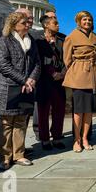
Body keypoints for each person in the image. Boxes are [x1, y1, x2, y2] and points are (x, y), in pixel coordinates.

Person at [0, 12, 41, 169]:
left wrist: (32, 79)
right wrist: (24, 79)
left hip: (26, 87)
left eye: (28, 22)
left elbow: (37, 63)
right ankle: (5, 157)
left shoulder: (31, 41)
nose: (28, 25)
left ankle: (19, 154)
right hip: (8, 87)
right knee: (7, 123)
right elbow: (3, 65)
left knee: (21, 122)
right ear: (14, 24)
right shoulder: (4, 40)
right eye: (24, 23)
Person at [63, 11, 96, 153]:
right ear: (79, 21)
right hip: (79, 74)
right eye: (84, 19)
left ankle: (85, 138)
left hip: (93, 74)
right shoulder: (71, 37)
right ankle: (77, 139)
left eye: (89, 20)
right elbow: (67, 60)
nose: (87, 22)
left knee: (89, 110)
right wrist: (76, 71)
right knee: (79, 110)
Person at [36, 16, 66, 150]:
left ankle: (57, 137)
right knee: (43, 111)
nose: (58, 25)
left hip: (60, 81)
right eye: (55, 23)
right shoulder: (38, 40)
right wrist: (52, 73)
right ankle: (44, 139)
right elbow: (39, 60)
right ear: (46, 25)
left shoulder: (62, 40)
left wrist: (63, 73)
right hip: (44, 80)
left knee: (59, 110)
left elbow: (66, 58)